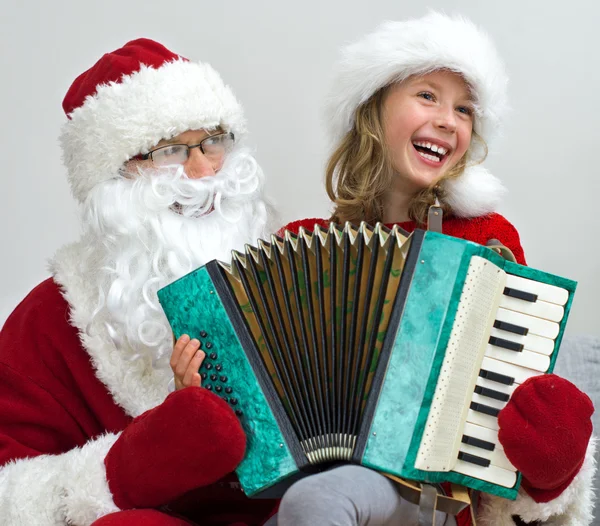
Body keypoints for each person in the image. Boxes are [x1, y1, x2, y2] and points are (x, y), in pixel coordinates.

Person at [278, 12, 596, 526]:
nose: (449, 120)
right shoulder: (304, 246)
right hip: (317, 474)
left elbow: (517, 405)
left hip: (429, 490)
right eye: (427, 95)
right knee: (311, 498)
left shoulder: (485, 238)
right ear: (372, 109)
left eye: (465, 108)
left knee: (318, 501)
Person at [0, 38, 278, 525]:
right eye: (171, 151)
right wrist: (137, 458)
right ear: (114, 179)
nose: (202, 171)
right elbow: (9, 491)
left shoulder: (285, 279)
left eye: (213, 141)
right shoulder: (46, 321)